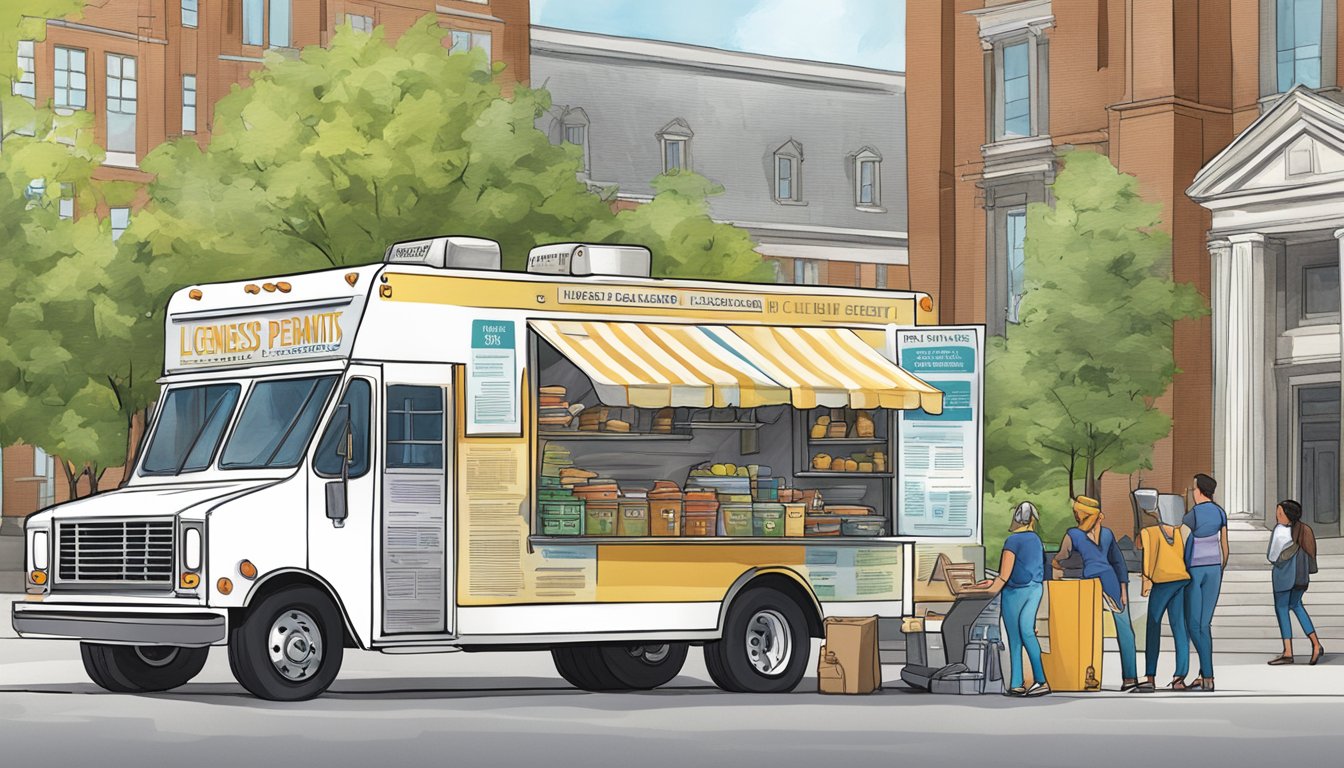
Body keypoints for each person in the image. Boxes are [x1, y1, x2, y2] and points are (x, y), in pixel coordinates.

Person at [1053, 495, 1139, 691]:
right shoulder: (1107, 533)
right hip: (1111, 581)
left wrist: (1058, 565)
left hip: (1088, 584)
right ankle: (1130, 678)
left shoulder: (1073, 535)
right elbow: (1118, 563)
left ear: (1080, 514)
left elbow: (1061, 557)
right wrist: (1124, 589)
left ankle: (1082, 674)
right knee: (1125, 630)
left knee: (1086, 631)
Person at [967, 501, 1050, 696]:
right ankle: (1036, 681)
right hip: (1035, 589)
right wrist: (993, 582)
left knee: (1015, 638)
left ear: (1016, 519)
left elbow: (1004, 575)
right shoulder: (1036, 540)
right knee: (1028, 632)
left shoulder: (1012, 541)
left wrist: (986, 589)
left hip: (1014, 593)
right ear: (1032, 520)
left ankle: (1020, 683)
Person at [1134, 500, 1190, 692]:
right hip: (1181, 580)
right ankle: (1179, 677)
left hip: (1162, 583)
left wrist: (1146, 582)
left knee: (1153, 626)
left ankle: (1150, 676)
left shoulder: (1151, 532)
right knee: (1180, 628)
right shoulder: (1180, 532)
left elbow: (1139, 545)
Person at [1183, 473, 1228, 692]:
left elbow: (1182, 540)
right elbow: (1225, 547)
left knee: (1193, 624)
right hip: (1215, 569)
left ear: (1199, 490)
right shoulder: (1220, 512)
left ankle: (1208, 674)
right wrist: (1220, 567)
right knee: (1205, 624)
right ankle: (1205, 676)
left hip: (1195, 570)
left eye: (1193, 489)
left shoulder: (1193, 514)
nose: (1192, 492)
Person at [1266, 499, 1325, 666]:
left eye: (1280, 513)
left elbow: (1271, 556)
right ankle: (1315, 644)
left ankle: (1288, 651)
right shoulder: (1304, 530)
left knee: (1282, 609)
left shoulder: (1279, 532)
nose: (1277, 516)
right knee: (1297, 606)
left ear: (1287, 516)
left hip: (1283, 578)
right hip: (1301, 578)